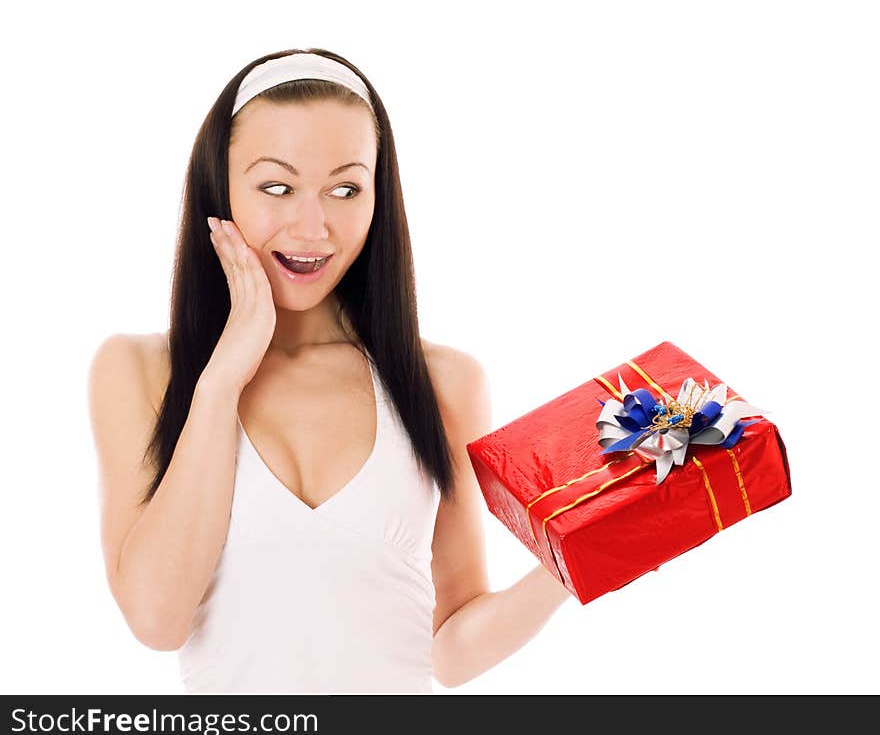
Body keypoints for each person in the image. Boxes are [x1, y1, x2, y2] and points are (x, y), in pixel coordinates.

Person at [87, 47, 571, 694]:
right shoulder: (141, 370)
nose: (312, 227)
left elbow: (449, 649)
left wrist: (580, 557)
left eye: (345, 189)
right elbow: (157, 617)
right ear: (220, 187)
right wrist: (222, 379)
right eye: (276, 187)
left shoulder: (445, 382)